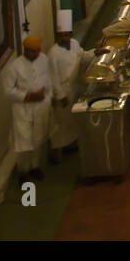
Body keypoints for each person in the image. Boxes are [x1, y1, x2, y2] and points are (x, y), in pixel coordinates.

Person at [4, 35, 53, 184]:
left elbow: (48, 80)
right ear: (25, 50)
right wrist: (29, 96)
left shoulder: (44, 60)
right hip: (23, 110)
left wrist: (47, 97)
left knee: (37, 139)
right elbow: (8, 91)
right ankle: (22, 172)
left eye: (37, 51)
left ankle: (35, 167)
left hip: (40, 107)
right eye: (32, 51)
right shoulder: (15, 67)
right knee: (23, 142)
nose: (35, 54)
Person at [47, 24, 94, 162]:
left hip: (75, 87)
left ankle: (72, 145)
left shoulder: (74, 44)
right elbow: (53, 76)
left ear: (71, 34)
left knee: (73, 120)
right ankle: (56, 154)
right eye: (61, 35)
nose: (64, 38)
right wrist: (60, 96)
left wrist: (95, 53)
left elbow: (82, 56)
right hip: (63, 91)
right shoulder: (53, 53)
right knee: (60, 123)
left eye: (66, 35)